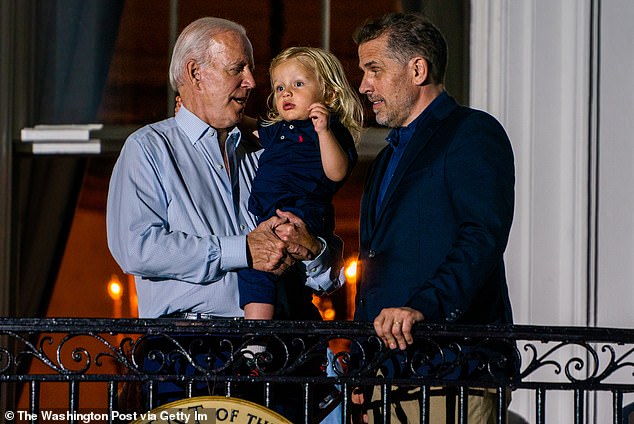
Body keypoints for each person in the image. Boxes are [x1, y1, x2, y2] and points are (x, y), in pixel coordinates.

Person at [106, 16, 343, 420]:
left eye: (250, 69)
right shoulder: (148, 149)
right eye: (238, 69)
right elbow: (136, 247)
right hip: (188, 356)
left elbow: (324, 260)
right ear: (195, 73)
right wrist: (242, 250)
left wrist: (316, 250)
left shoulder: (267, 149)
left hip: (283, 353)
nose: (252, 82)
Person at [351, 12, 515, 423]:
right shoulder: (386, 156)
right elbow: (373, 265)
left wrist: (423, 308)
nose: (363, 85)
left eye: (374, 70)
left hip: (452, 369)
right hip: (382, 379)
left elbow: (481, 237)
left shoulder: (472, 132)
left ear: (417, 69)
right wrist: (359, 361)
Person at [238, 46, 363, 323]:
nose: (286, 93)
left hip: (304, 211)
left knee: (263, 266)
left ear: (328, 93)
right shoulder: (279, 130)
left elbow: (337, 172)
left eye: (297, 84)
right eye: (279, 87)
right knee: (258, 265)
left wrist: (324, 131)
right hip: (271, 214)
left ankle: (257, 337)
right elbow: (244, 124)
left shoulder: (329, 130)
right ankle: (258, 335)